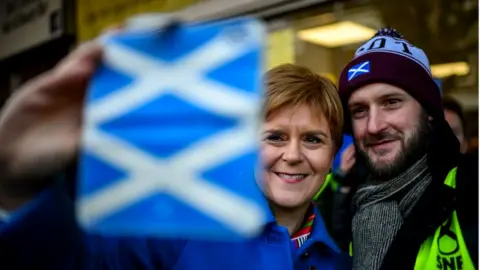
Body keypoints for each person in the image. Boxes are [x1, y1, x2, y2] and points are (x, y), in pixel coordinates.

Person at [0, 39, 351, 269]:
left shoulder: (340, 262)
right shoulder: (178, 226)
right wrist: (17, 189)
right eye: (274, 137)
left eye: (313, 140)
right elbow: (63, 261)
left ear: (334, 151)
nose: (292, 155)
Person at [336, 28, 478, 270]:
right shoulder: (343, 210)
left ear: (429, 112)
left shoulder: (470, 192)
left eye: (391, 102)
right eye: (359, 110)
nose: (373, 126)